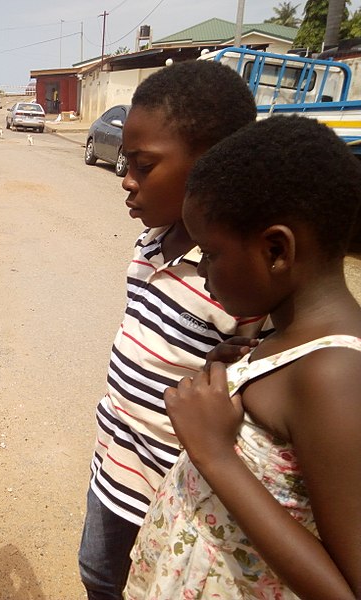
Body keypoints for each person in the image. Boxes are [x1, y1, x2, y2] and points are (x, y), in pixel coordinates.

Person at [125, 115, 361, 599]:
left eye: (210, 254)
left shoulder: (334, 375)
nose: (204, 275)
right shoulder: (282, 335)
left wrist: (214, 454)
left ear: (276, 249)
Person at [78, 60, 270, 600]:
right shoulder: (152, 242)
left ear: (212, 166)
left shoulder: (243, 279)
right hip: (115, 460)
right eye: (124, 162)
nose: (126, 179)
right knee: (97, 574)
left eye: (143, 164)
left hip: (183, 487)